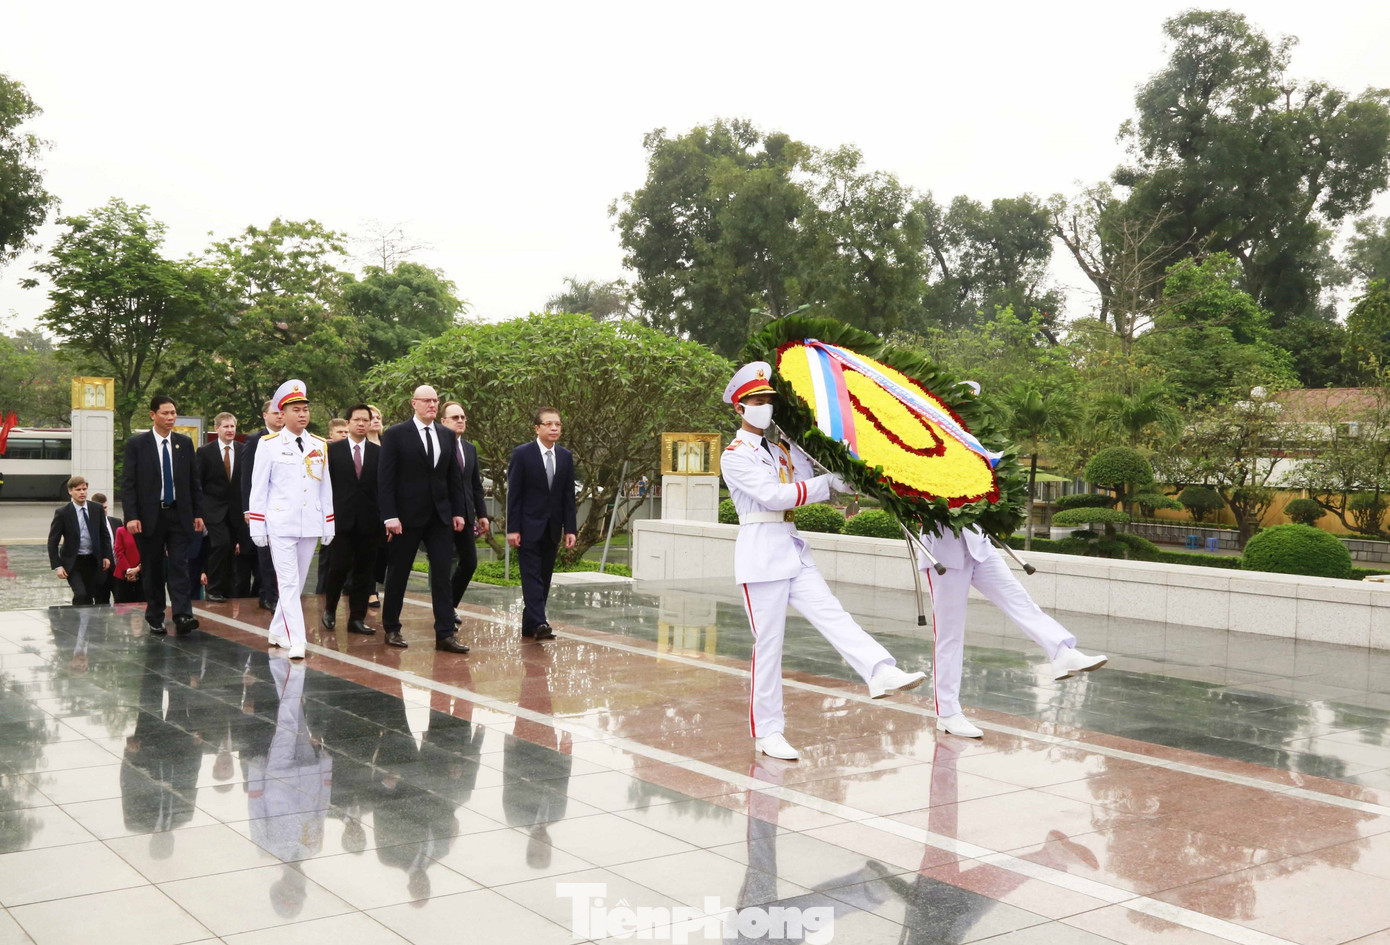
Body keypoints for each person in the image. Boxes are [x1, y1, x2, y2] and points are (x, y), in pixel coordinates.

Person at [720, 362, 925, 761]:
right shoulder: (735, 456)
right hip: (761, 555)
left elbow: (810, 480)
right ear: (739, 408)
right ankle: (768, 732)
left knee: (833, 613)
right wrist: (825, 484)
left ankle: (879, 670)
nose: (765, 407)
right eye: (757, 402)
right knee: (769, 647)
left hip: (791, 547)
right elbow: (774, 496)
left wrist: (831, 465)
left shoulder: (782, 448)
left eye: (768, 401)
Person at [917, 525, 1107, 738]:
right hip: (943, 553)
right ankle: (948, 713)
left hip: (980, 546)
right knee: (949, 634)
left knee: (1020, 601)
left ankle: (1062, 652)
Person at [378, 385, 470, 653]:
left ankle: (445, 634)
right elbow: (385, 478)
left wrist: (457, 511)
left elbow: (453, 476)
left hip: (439, 516)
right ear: (414, 403)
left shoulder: (446, 434)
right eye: (426, 400)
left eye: (435, 400)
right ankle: (392, 628)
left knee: (442, 575)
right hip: (406, 516)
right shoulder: (396, 434)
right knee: (399, 573)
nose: (432, 404)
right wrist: (390, 516)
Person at [247, 380, 334, 661]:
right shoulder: (269, 445)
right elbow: (259, 488)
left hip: (310, 523)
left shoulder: (318, 444)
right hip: (281, 524)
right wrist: (257, 525)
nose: (302, 414)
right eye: (296, 410)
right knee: (287, 582)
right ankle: (298, 639)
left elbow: (325, 487)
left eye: (305, 409)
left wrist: (328, 523)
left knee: (296, 583)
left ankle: (276, 630)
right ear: (282, 414)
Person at [121, 395, 205, 635]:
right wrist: (131, 516)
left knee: (180, 565)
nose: (170, 417)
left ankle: (182, 615)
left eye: (173, 413)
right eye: (165, 413)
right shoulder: (137, 444)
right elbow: (128, 483)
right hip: (150, 516)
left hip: (179, 514)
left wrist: (197, 512)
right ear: (153, 415)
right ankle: (155, 616)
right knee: (153, 567)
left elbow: (193, 481)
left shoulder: (184, 443)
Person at [506, 407, 577, 642]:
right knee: (531, 576)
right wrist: (513, 529)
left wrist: (570, 529)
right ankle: (539, 622)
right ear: (537, 428)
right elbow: (514, 494)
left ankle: (530, 626)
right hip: (527, 527)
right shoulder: (522, 454)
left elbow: (568, 495)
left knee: (544, 577)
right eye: (549, 424)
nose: (554, 428)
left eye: (558, 424)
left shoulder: (565, 456)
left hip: (552, 527)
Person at [322, 404, 381, 637]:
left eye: (366, 420)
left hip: (370, 521)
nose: (361, 424)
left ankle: (356, 618)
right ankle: (330, 608)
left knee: (364, 572)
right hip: (340, 520)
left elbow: (383, 488)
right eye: (357, 420)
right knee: (338, 567)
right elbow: (324, 486)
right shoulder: (332, 450)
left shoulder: (378, 452)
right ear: (348, 423)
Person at [440, 402, 490, 623]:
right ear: (443, 421)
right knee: (442, 565)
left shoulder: (469, 448)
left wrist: (482, 514)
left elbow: (475, 485)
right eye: (455, 417)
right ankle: (444, 612)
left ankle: (449, 605)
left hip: (467, 515)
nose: (460, 420)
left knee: (469, 563)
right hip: (443, 516)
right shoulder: (440, 447)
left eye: (462, 417)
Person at [196, 412, 245, 603]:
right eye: (226, 426)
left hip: (236, 510)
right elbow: (198, 483)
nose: (230, 430)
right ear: (216, 429)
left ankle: (228, 588)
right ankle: (214, 588)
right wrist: (199, 511)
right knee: (220, 544)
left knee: (232, 548)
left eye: (232, 426)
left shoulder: (243, 450)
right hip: (213, 510)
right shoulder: (205, 452)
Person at [242, 400, 286, 611]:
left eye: (281, 413)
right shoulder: (255, 440)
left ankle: (270, 594)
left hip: (285, 505)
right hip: (264, 505)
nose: (279, 416)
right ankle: (269, 596)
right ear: (264, 415)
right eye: (275, 413)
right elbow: (247, 476)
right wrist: (248, 509)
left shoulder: (289, 438)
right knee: (266, 553)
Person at [47, 475, 112, 605]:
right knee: (80, 593)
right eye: (78, 490)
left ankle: (82, 617)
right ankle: (76, 616)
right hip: (73, 561)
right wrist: (57, 566)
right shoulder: (63, 513)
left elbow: (104, 534)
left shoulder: (97, 508)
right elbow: (53, 541)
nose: (82, 492)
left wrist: (106, 556)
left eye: (84, 489)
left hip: (93, 560)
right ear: (70, 491)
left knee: (89, 595)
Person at [90, 491, 118, 605]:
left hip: (117, 570)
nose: (104, 511)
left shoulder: (116, 522)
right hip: (99, 572)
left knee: (122, 603)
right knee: (101, 604)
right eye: (101, 508)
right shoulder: (89, 525)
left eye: (105, 508)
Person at [113, 519, 144, 603]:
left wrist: (138, 569)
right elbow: (119, 552)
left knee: (142, 606)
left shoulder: (146, 532)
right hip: (123, 575)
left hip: (142, 574)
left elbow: (149, 553)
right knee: (122, 607)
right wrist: (129, 571)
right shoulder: (121, 531)